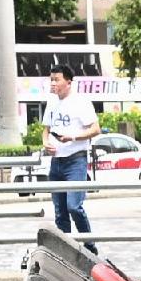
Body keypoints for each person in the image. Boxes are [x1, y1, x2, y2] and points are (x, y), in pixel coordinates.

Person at [39, 69, 101, 237]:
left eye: (56, 80)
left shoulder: (80, 102)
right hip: (56, 162)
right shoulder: (51, 102)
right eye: (51, 79)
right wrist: (45, 143)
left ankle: (89, 245)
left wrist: (73, 137)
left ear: (68, 82)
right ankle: (66, 250)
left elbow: (96, 129)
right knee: (60, 212)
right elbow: (46, 129)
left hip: (75, 160)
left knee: (74, 206)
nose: (53, 83)